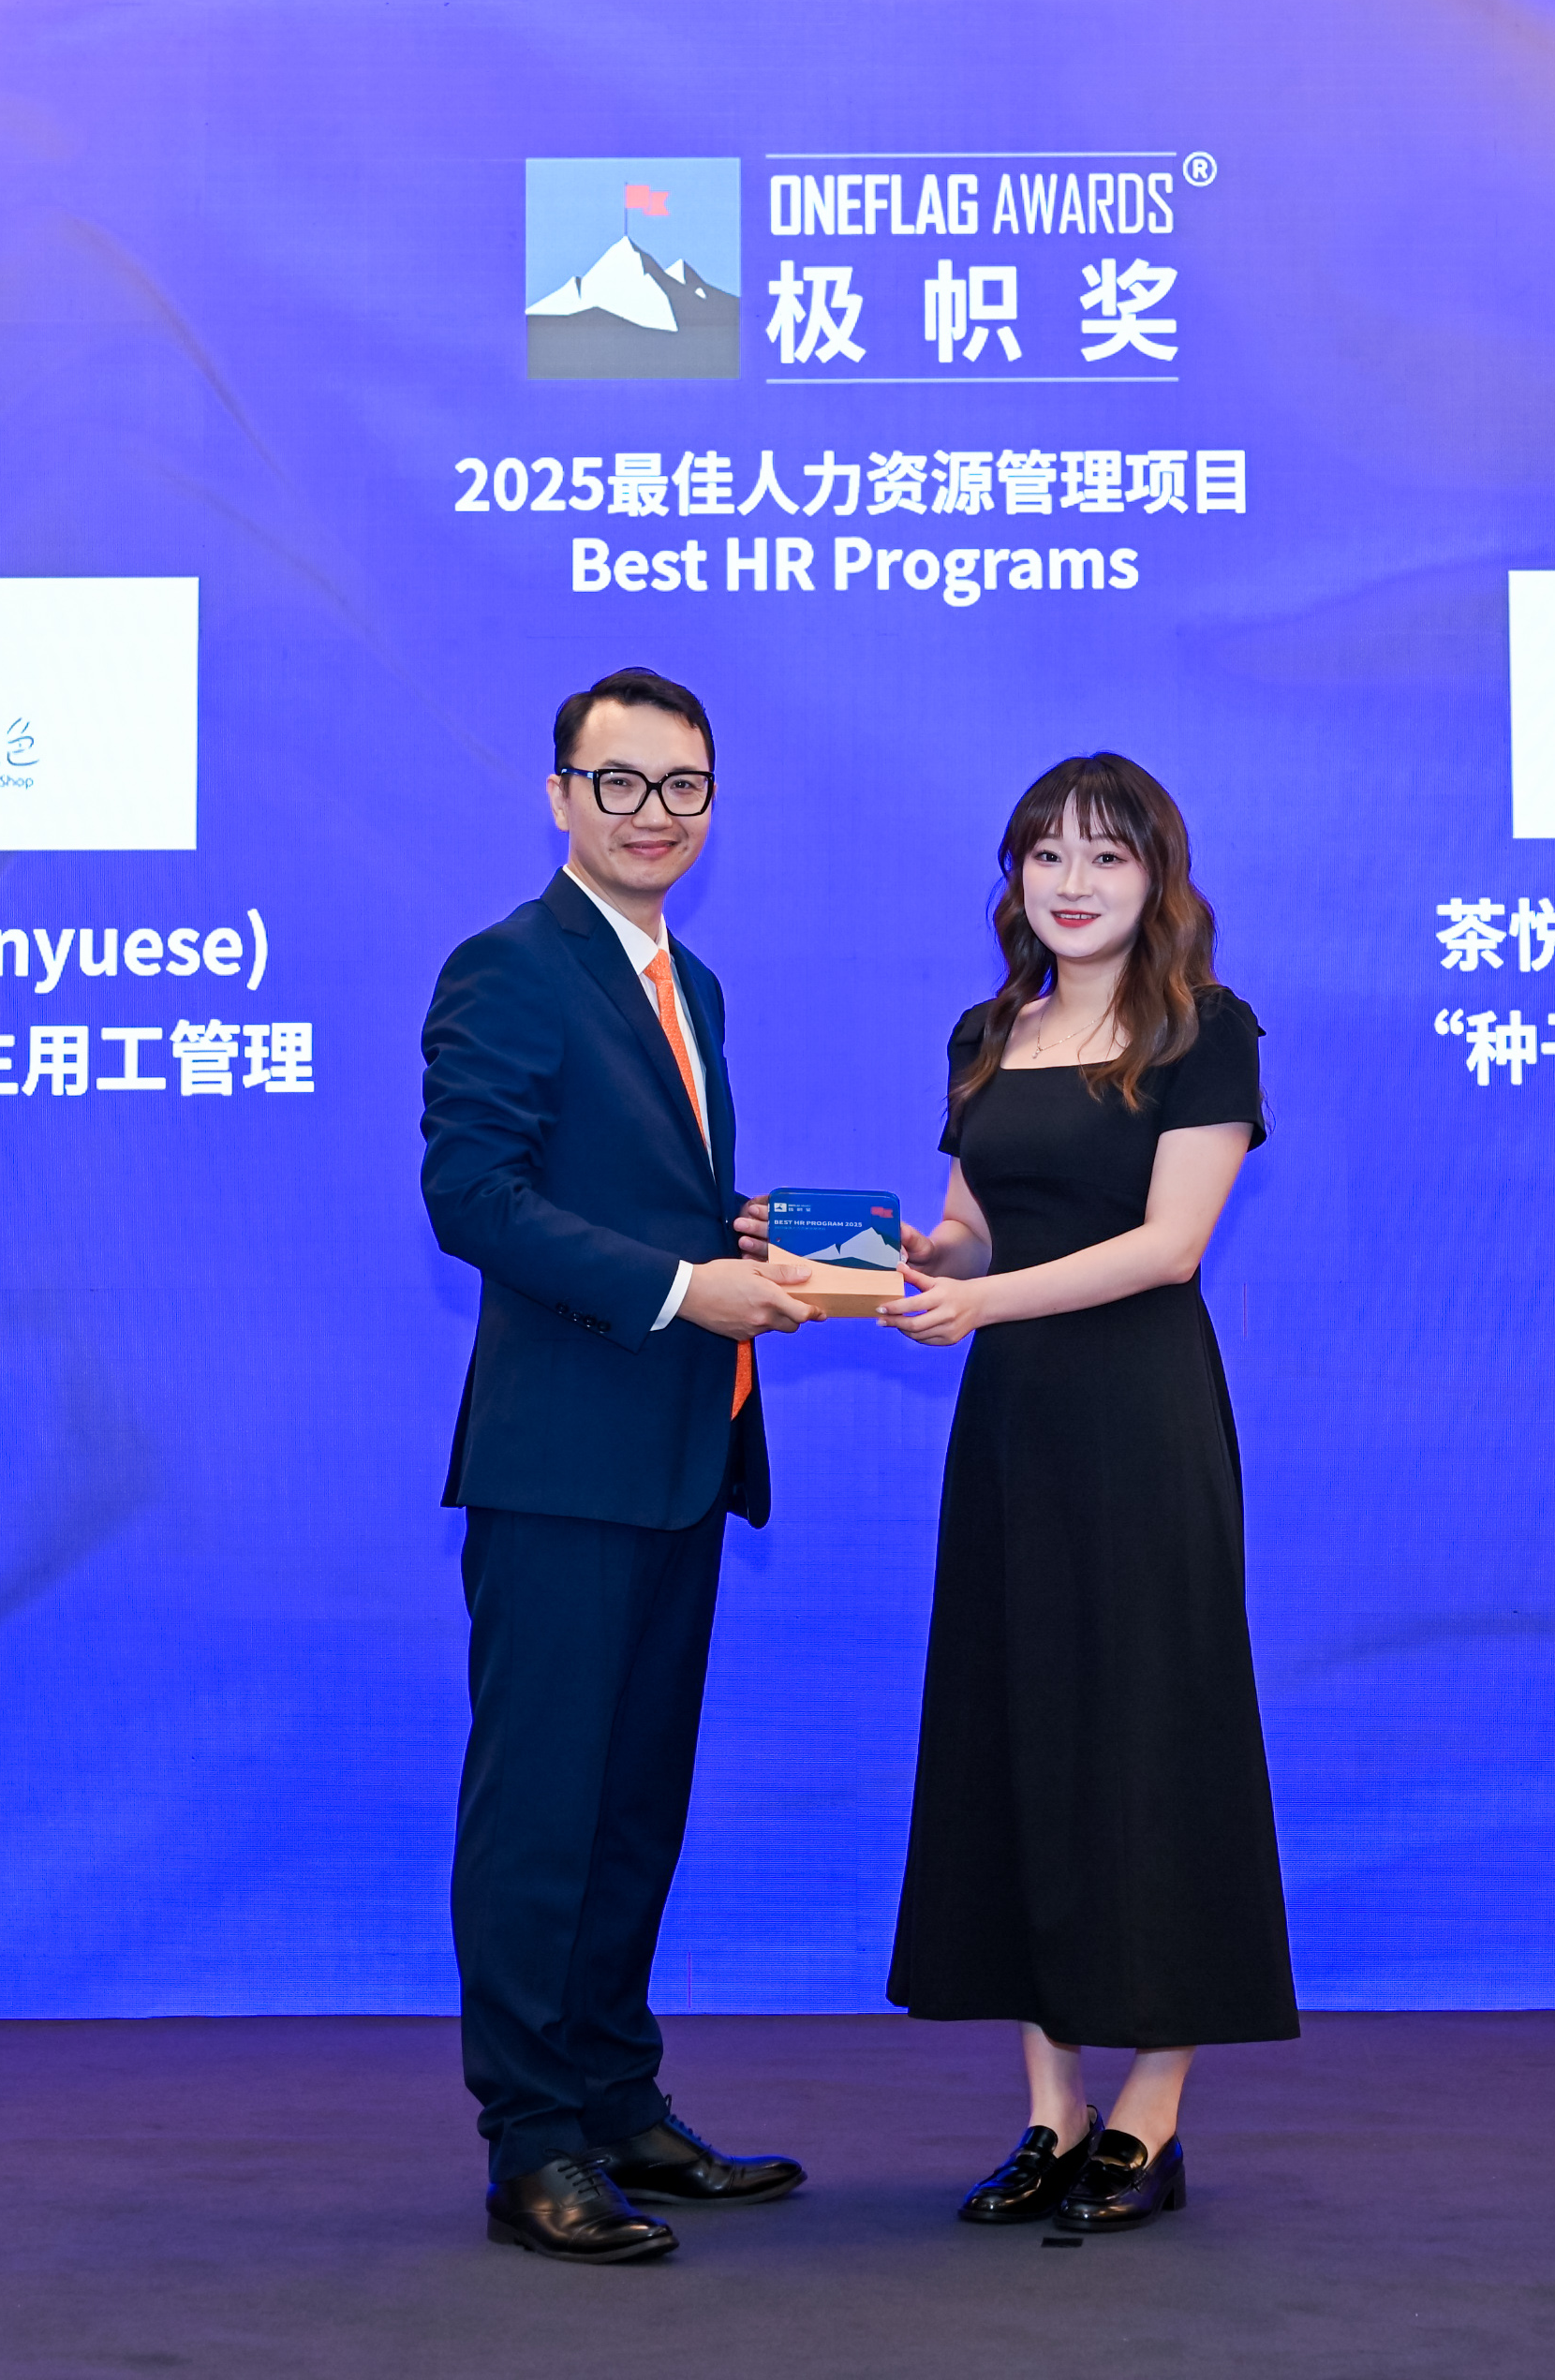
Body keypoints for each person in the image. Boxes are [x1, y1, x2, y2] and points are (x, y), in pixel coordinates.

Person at [419, 666, 816, 2264]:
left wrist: (733, 1240)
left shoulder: (688, 983)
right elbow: (474, 1198)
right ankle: (532, 2144)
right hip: (562, 1463)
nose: (656, 813)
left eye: (684, 786)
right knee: (541, 1812)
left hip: (680, 1454)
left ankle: (614, 2099)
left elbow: (635, 1189)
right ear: (560, 795)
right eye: (622, 782)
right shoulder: (508, 968)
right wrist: (677, 1288)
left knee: (634, 1805)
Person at [874, 750, 1297, 2234]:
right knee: (1021, 1733)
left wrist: (980, 1303)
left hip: (1140, 1422)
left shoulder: (1204, 1031)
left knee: (1153, 1737)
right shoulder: (988, 1032)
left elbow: (1169, 1247)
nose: (1070, 882)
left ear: (1155, 878)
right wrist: (908, 1260)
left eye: (1105, 856)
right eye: (1044, 854)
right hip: (1012, 1433)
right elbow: (976, 1230)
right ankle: (1050, 2113)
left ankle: (1150, 2115)